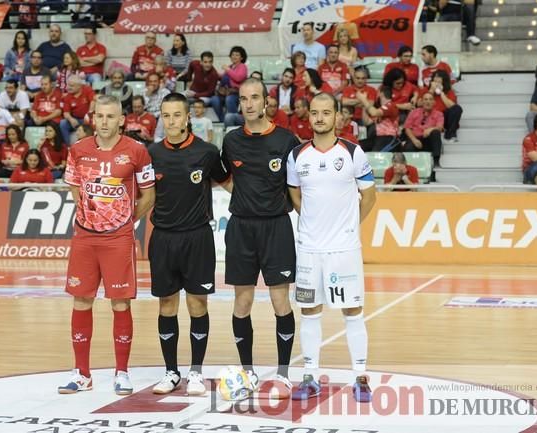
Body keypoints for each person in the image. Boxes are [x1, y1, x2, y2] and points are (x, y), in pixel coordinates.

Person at [57, 94, 155, 395]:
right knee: (81, 300)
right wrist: (91, 211)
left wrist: (123, 220)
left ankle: (122, 373)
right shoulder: (78, 150)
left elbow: (148, 196)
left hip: (118, 239)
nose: (104, 122)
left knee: (120, 303)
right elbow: (74, 185)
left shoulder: (137, 152)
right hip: (85, 237)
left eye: (110, 117)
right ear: (92, 117)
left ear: (122, 120)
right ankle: (82, 374)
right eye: (99, 116)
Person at [286, 92, 376, 402]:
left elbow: (370, 197)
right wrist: (312, 223)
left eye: (326, 112)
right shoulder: (297, 156)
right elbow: (295, 196)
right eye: (314, 113)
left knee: (353, 312)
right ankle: (310, 376)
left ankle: (360, 376)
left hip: (344, 250)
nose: (320, 118)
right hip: (309, 250)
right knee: (309, 312)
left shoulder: (353, 153)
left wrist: (349, 226)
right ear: (308, 117)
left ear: (337, 116)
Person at [221, 77, 300, 397]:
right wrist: (243, 196)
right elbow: (224, 177)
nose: (249, 104)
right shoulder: (231, 140)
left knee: (281, 300)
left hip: (276, 228)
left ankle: (283, 373)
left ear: (266, 102)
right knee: (243, 301)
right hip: (241, 228)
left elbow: (296, 185)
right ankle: (247, 370)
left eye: (255, 98)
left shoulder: (286, 140)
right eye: (243, 98)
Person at [147, 92, 229, 396]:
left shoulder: (207, 152)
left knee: (197, 305)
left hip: (198, 238)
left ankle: (195, 372)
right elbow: (144, 195)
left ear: (187, 117)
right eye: (165, 116)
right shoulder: (151, 153)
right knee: (167, 305)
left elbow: (230, 182)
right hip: (163, 239)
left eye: (176, 115)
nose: (171, 121)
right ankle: (171, 372)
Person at [403, 92, 444, 166]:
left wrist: (431, 129)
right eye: (426, 99)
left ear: (434, 102)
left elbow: (440, 127)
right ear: (421, 101)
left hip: (428, 140)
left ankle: (436, 162)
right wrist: (414, 140)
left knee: (436, 132)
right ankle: (410, 166)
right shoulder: (414, 112)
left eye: (430, 99)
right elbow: (407, 128)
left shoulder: (439, 114)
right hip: (415, 139)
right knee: (408, 147)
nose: (428, 102)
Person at [356, 86, 400, 152]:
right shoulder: (381, 109)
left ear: (381, 93)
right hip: (378, 138)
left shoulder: (391, 105)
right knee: (357, 147)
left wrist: (363, 99)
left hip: (389, 138)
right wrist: (364, 106)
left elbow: (374, 113)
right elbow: (366, 122)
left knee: (375, 154)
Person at [212, 46, 248, 122]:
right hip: (225, 92)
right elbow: (222, 77)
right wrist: (213, 72)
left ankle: (234, 119)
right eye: (233, 54)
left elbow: (238, 78)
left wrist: (228, 70)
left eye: (237, 55)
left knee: (229, 99)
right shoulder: (230, 67)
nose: (234, 57)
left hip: (237, 93)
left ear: (241, 57)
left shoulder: (242, 66)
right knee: (214, 99)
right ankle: (223, 120)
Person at [60, 75, 96, 145]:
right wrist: (71, 119)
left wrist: (88, 114)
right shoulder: (67, 97)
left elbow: (93, 101)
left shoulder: (87, 89)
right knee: (63, 123)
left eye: (72, 86)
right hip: (75, 119)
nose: (69, 88)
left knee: (93, 120)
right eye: (68, 85)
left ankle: (92, 144)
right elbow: (66, 113)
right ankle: (68, 146)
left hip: (88, 117)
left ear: (79, 86)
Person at [428, 70, 462, 143]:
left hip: (444, 118)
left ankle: (450, 134)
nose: (436, 81)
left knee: (457, 108)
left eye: (439, 79)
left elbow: (452, 106)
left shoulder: (449, 92)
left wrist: (441, 93)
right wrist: (431, 90)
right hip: (431, 117)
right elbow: (421, 104)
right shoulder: (426, 90)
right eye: (435, 79)